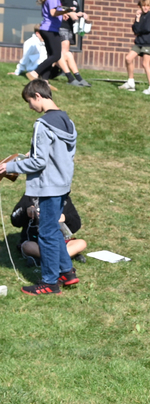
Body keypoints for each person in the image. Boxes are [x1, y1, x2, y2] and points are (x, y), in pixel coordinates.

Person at [0, 80, 79, 295]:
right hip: (62, 184)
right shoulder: (68, 121)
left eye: (29, 101)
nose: (30, 107)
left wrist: (9, 166)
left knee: (46, 233)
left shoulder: (42, 124)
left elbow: (38, 162)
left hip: (49, 186)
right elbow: (62, 155)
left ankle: (50, 282)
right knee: (52, 229)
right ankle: (67, 272)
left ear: (37, 95)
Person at [10, 194, 87, 264]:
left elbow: (76, 224)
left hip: (60, 242)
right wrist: (25, 212)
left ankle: (46, 259)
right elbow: (15, 221)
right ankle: (64, 258)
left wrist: (65, 217)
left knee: (81, 243)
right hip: (36, 242)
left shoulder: (64, 198)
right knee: (28, 246)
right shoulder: (30, 196)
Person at [119, 0, 150, 95]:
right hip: (139, 42)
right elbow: (135, 30)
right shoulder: (140, 16)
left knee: (145, 64)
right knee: (128, 58)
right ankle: (130, 82)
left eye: (147, 5)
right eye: (144, 6)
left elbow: (147, 28)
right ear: (140, 6)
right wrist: (137, 18)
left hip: (148, 43)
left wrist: (139, 28)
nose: (146, 7)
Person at [32, 0, 68, 82]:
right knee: (56, 55)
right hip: (50, 30)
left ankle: (45, 80)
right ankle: (35, 72)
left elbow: (56, 11)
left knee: (51, 56)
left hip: (48, 29)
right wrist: (67, 11)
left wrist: (63, 13)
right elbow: (53, 12)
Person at [56, 0, 90, 87]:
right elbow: (57, 8)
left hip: (70, 27)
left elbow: (77, 11)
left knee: (65, 51)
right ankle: (67, 74)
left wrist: (82, 14)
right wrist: (69, 12)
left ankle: (60, 69)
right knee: (64, 50)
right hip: (61, 25)